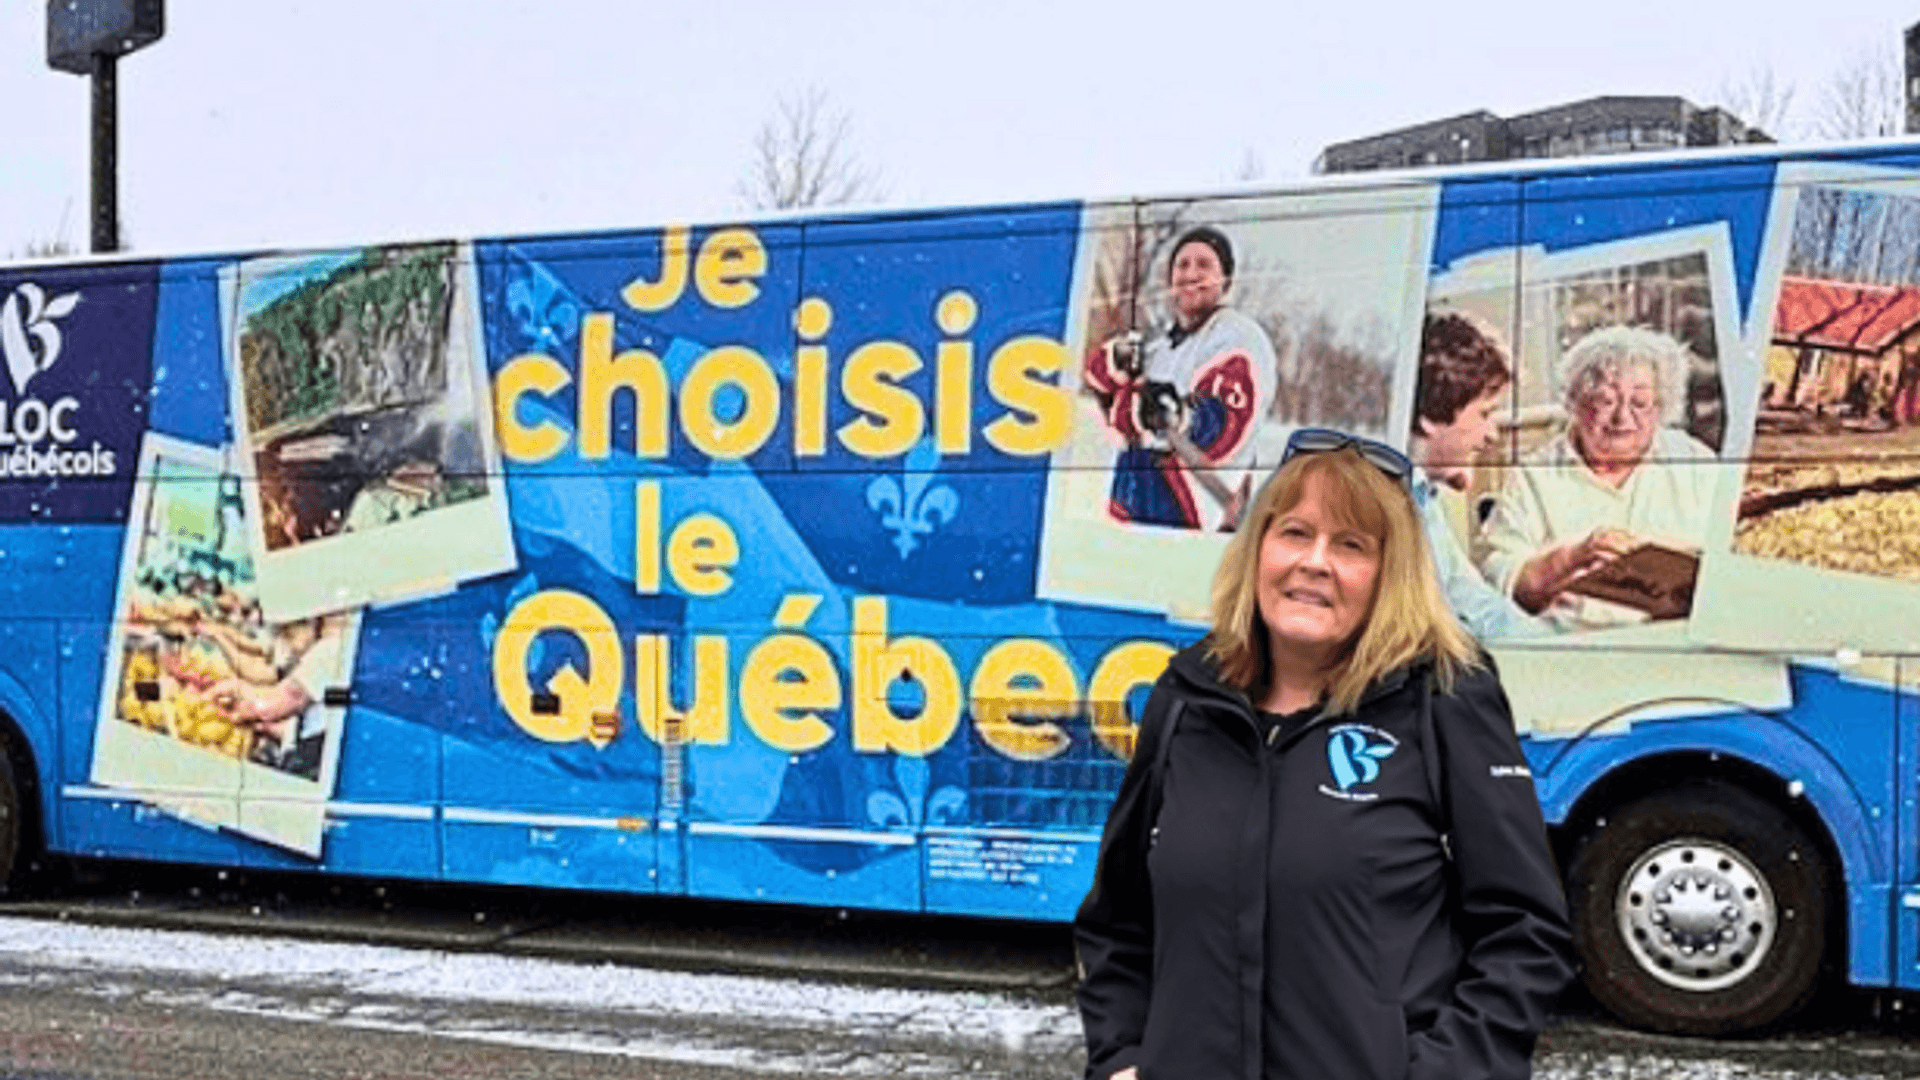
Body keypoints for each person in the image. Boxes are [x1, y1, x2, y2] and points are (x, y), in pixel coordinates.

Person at [1075, 429, 1573, 1080]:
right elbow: (1118, 920)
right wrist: (1121, 1056)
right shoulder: (1188, 696)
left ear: (1391, 574)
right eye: (1294, 533)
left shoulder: (1445, 698)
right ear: (1258, 549)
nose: (1315, 562)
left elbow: (1525, 934)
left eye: (1351, 545)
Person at [1478, 325, 1717, 631]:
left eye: (1640, 404)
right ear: (1574, 404)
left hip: (1679, 643)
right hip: (1572, 647)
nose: (1623, 418)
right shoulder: (1534, 476)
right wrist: (1568, 560)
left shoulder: (1696, 463)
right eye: (1605, 401)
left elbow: (1737, 563)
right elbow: (1497, 581)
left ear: (1661, 409)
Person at [1084, 226, 1280, 531]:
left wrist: (1179, 415)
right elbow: (1113, 406)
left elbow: (1224, 422)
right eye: (1182, 264)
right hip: (1134, 510)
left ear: (1225, 280)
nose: (1190, 273)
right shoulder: (1161, 347)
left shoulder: (1238, 337)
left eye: (1204, 265)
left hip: (1194, 519)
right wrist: (1113, 362)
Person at [1409, 313, 1545, 640]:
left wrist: (1558, 650)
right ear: (1430, 416)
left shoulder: (1421, 493)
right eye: (1485, 413)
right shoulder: (1379, 500)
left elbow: (1473, 600)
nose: (1491, 434)